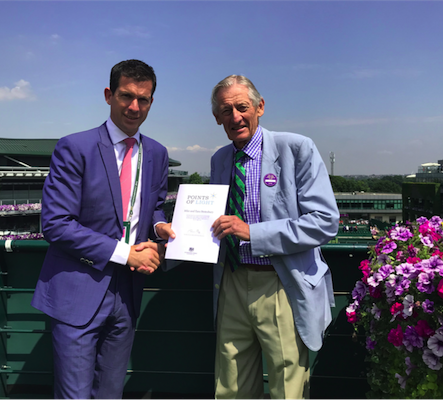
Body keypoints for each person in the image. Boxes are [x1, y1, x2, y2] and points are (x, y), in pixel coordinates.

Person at [31, 59, 174, 400]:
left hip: (127, 293)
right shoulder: (74, 147)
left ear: (152, 102)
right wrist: (127, 254)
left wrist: (159, 225)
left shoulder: (157, 153)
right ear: (109, 95)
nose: (134, 107)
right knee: (74, 396)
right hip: (79, 290)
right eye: (126, 96)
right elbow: (55, 223)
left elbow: (151, 205)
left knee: (110, 393)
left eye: (144, 99)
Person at [209, 75, 339, 400]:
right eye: (226, 110)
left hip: (282, 283)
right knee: (230, 388)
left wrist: (252, 233)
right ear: (217, 118)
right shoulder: (219, 160)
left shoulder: (296, 148)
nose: (235, 117)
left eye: (242, 107)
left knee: (287, 391)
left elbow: (325, 222)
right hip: (232, 282)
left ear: (260, 107)